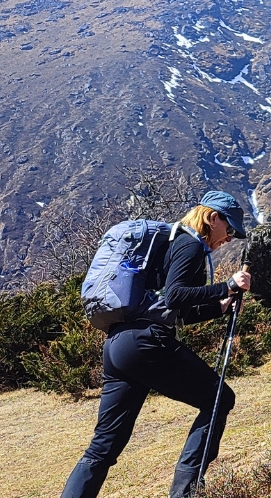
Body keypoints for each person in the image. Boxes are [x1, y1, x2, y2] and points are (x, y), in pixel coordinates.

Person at [60, 191, 251, 498]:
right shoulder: (190, 245)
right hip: (145, 343)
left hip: (117, 345)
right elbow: (176, 296)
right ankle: (185, 495)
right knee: (219, 400)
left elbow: (175, 310)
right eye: (229, 230)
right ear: (213, 218)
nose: (229, 238)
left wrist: (219, 307)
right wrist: (227, 285)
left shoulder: (172, 246)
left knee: (103, 447)